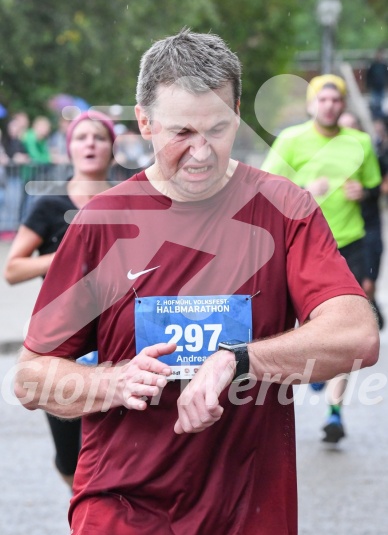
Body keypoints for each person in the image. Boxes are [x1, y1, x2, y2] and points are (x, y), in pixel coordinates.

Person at [14, 31, 379, 535]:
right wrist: (112, 383)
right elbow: (31, 376)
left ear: (236, 112)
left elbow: (357, 334)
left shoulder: (284, 208)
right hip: (122, 509)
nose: (202, 152)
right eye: (181, 132)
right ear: (144, 122)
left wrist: (240, 358)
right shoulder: (102, 222)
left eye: (219, 128)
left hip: (249, 511)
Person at [262, 74, 381, 445]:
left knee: (346, 324)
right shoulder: (291, 140)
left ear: (343, 104)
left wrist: (363, 192)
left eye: (336, 100)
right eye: (323, 99)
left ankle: (334, 412)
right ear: (312, 104)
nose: (329, 105)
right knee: (305, 321)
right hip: (301, 243)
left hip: (349, 243)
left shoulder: (360, 142)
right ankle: (316, 364)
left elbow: (374, 189)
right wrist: (301, 191)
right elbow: (263, 190)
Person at [4, 111, 115, 488]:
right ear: (69, 149)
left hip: (118, 338)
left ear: (112, 148)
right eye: (81, 137)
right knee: (70, 455)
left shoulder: (130, 201)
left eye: (99, 137)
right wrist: (71, 254)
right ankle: (79, 505)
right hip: (60, 343)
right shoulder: (49, 206)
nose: (90, 144)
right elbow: (13, 268)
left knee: (120, 443)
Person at [338, 112, 385, 329]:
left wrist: (364, 192)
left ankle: (370, 302)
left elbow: (378, 187)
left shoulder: (370, 155)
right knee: (355, 281)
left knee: (369, 280)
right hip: (345, 231)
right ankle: (360, 318)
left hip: (370, 225)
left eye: (353, 127)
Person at [366, 48, 388, 119]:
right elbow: (368, 76)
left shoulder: (384, 66)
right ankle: (375, 115)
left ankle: (379, 116)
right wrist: (368, 85)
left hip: (381, 86)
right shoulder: (373, 66)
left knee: (380, 101)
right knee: (375, 101)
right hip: (374, 86)